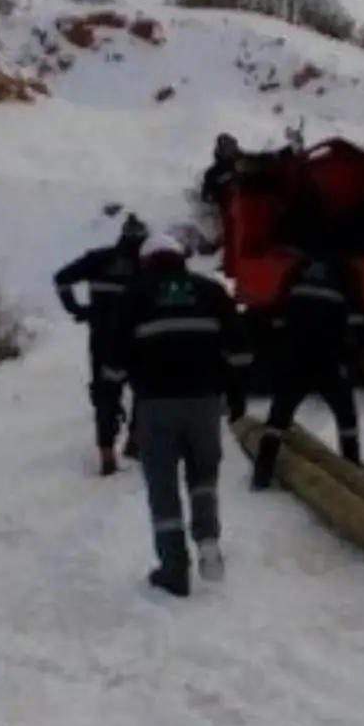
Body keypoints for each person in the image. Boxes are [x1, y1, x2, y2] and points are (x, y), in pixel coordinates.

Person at [117, 231, 250, 596]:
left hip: (155, 404)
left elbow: (115, 354)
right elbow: (239, 347)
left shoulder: (136, 295)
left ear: (146, 262)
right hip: (205, 402)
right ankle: (207, 537)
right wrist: (237, 397)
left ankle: (174, 569)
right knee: (203, 475)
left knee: (163, 487)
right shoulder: (210, 291)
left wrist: (116, 403)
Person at [250, 243, 364, 492]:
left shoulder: (297, 269)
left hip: (296, 355)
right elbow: (355, 317)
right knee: (345, 414)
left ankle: (262, 470)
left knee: (279, 415)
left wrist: (280, 351)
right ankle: (352, 469)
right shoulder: (347, 271)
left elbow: (279, 311)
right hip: (328, 356)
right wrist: (351, 359)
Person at [54, 213, 148, 475]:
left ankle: (107, 454)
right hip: (139, 338)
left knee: (105, 394)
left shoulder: (98, 259)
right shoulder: (147, 263)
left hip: (103, 338)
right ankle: (135, 442)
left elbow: (62, 278)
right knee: (145, 389)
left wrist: (77, 309)